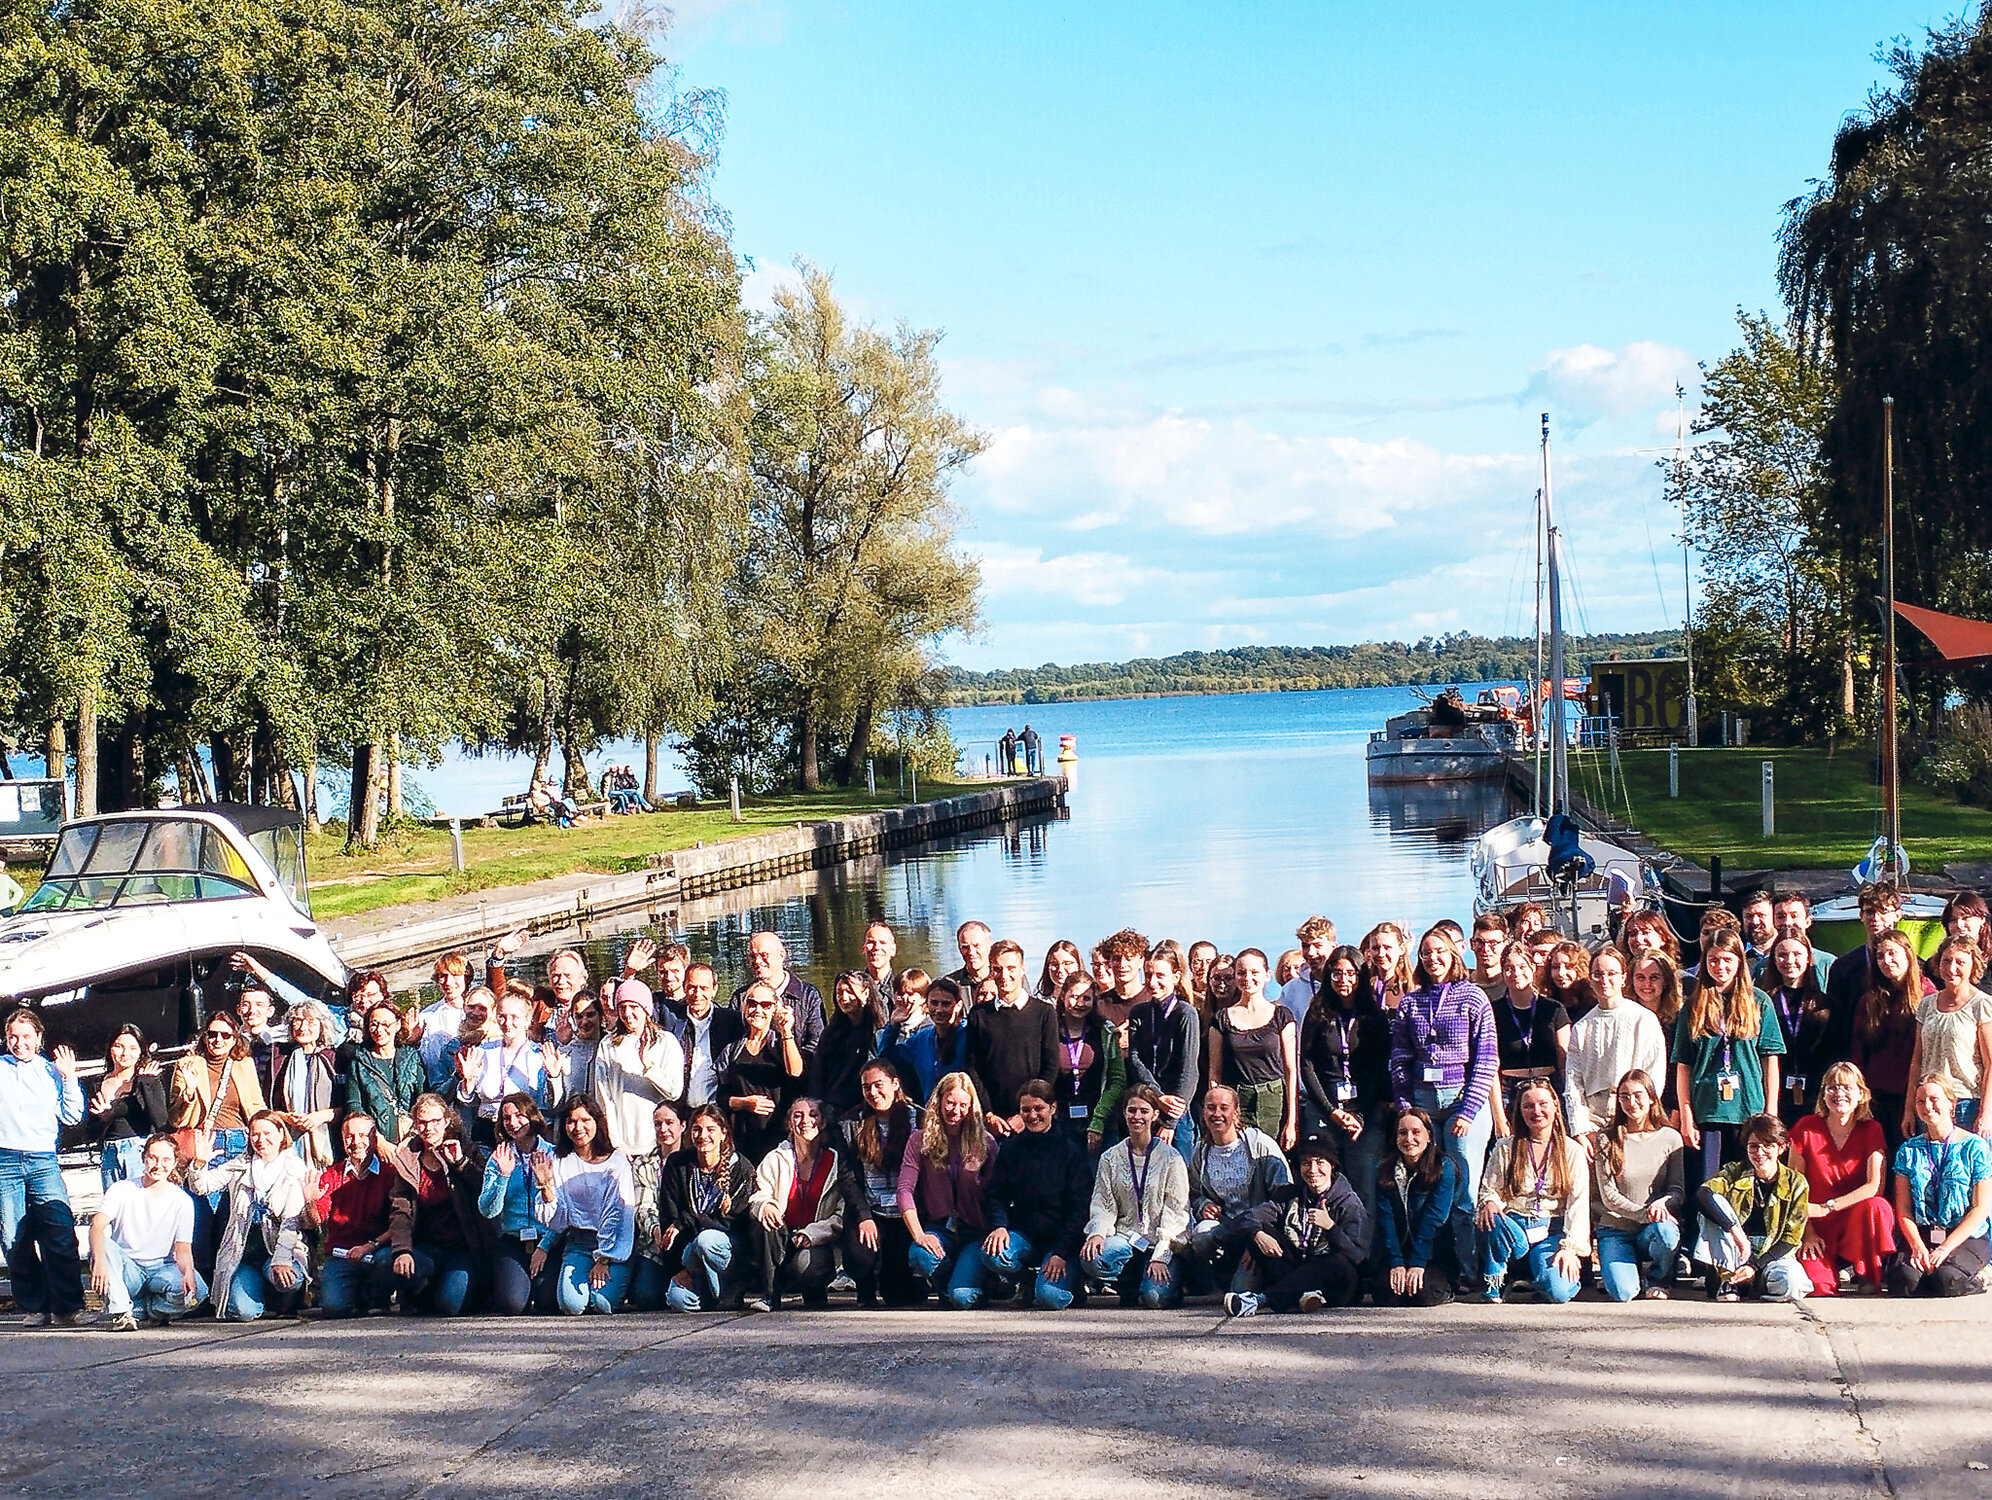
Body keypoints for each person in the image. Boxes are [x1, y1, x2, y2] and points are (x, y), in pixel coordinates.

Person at [1389, 925, 1496, 1274]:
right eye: (1426, 953)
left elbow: (1486, 1058)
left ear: (1453, 955)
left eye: (1440, 952)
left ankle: (1470, 1268)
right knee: (1427, 1185)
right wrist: (1406, 1107)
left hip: (1462, 1102)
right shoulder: (1411, 1002)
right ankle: (1433, 1263)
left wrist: (1468, 1110)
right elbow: (1400, 1057)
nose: (1433, 959)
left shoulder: (1473, 997)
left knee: (1463, 1189)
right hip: (1422, 1103)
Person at [1673, 930, 1785, 1192]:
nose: (1720, 967)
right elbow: (1683, 1065)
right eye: (1713, 960)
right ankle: (1708, 1233)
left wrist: (1771, 1111)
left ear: (1738, 962)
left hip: (1748, 1109)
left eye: (1727, 959)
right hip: (1707, 1109)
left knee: (1745, 1183)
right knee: (1710, 1185)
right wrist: (1686, 1115)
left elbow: (1770, 1062)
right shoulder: (1693, 1005)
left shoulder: (1759, 1001)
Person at [0, 1008, 86, 1325]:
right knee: (13, 1237)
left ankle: (66, 1307)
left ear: (38, 1037)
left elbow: (72, 1115)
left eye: (26, 1036)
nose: (19, 1043)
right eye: (13, 1036)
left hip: (42, 1161)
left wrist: (69, 1077)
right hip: (4, 1160)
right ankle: (35, 1306)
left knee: (59, 1230)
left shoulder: (50, 1071)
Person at [1224, 1131, 1370, 1316]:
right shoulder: (1289, 1195)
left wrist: (1331, 1228)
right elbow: (1245, 1218)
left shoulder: (1349, 1202)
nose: (1313, 1170)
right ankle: (1303, 1296)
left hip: (1336, 1282)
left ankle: (1260, 1300)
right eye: (1306, 1163)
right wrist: (1257, 1235)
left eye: (1319, 1162)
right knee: (1260, 1232)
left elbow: (1359, 1258)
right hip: (1297, 1268)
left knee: (1338, 1262)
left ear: (1332, 1165)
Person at [978, 1080, 1091, 1309]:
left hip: (1062, 1241)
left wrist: (1060, 1252)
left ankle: (1073, 1282)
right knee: (993, 1254)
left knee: (1049, 1298)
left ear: (1053, 1108)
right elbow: (996, 1194)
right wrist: (999, 1225)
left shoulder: (1071, 1150)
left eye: (1038, 1108)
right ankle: (1025, 1280)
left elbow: (1080, 1209)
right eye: (1025, 1110)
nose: (1032, 1116)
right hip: (1026, 1234)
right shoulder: (1010, 1149)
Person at [1473, 1077, 1588, 1303]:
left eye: (1543, 1104)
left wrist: (1570, 1248)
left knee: (1559, 1293)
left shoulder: (1572, 1150)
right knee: (1490, 1215)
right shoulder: (1505, 1147)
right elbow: (1489, 1189)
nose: (1536, 1111)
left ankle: (1529, 1274)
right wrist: (1490, 1202)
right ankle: (1494, 1281)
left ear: (1555, 1104)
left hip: (1550, 1230)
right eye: (1528, 1106)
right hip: (1513, 1226)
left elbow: (1579, 1203)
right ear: (1520, 1110)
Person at [190, 1110, 311, 1320]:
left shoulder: (294, 1169)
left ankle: (285, 1296)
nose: (261, 1140)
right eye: (255, 1134)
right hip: (243, 1253)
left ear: (281, 1134)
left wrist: (281, 1260)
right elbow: (201, 1186)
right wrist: (199, 1164)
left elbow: (292, 1222)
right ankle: (257, 1294)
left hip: (279, 1249)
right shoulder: (240, 1165)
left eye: (267, 1133)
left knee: (290, 1279)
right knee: (243, 1312)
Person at [1297, 944, 1390, 1219]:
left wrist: (1359, 1113)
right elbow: (1307, 1064)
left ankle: (1364, 1252)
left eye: (1350, 973)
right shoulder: (1317, 1012)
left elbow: (1379, 1069)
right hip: (1325, 1109)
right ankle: (1322, 1247)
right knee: (1321, 1183)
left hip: (1365, 1111)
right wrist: (1331, 1110)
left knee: (1365, 1184)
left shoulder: (1374, 1017)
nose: (1343, 980)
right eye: (1336, 974)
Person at [380, 1093, 492, 1316]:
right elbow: (400, 1210)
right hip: (428, 1247)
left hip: (464, 1248)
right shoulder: (407, 1159)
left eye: (435, 1121)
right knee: (383, 1262)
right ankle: (419, 1291)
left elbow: (486, 1192)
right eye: (422, 1122)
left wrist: (460, 1164)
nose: (429, 1128)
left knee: (448, 1305)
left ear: (446, 1121)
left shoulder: (466, 1150)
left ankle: (464, 1289)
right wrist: (402, 1250)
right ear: (415, 1124)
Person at [1790, 1062, 1896, 1296]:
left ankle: (1869, 1273)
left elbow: (1873, 1187)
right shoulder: (1805, 1128)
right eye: (1832, 1087)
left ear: (1861, 1094)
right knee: (1818, 1287)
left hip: (1853, 1221)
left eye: (1847, 1087)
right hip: (1815, 1225)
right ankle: (1829, 1270)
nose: (1839, 1094)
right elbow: (1793, 1188)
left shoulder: (1872, 1130)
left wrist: (1829, 1207)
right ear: (1823, 1094)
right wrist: (1807, 1230)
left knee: (1878, 1207)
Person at [1080, 1086, 1189, 1309]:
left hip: (1161, 1241)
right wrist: (1098, 1233)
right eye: (1131, 1111)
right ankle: (1128, 1282)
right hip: (1127, 1237)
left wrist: (1160, 1255)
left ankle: (1168, 1281)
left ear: (1155, 1115)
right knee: (1092, 1257)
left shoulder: (1171, 1159)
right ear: (1124, 1113)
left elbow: (1176, 1213)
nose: (1137, 1117)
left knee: (1155, 1299)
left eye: (1143, 1111)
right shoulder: (1111, 1157)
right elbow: (1103, 1203)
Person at [898, 1072, 1000, 1308]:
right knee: (919, 1253)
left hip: (975, 1232)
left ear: (971, 1107)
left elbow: (999, 1193)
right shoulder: (919, 1140)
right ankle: (954, 1283)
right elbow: (904, 1190)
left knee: (961, 1297)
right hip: (939, 1229)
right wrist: (919, 1234)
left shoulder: (986, 1142)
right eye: (951, 1103)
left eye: (963, 1105)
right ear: (940, 1101)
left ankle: (969, 1284)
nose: (956, 1110)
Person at [1888, 1074, 1992, 1297]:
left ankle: (1980, 1277)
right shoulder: (1909, 1150)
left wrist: (1946, 1248)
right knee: (1903, 1282)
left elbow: (1980, 1208)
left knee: (1948, 1280)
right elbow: (1904, 1209)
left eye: (1934, 1099)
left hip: (1964, 1236)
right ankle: (1931, 1275)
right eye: (1921, 1101)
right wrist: (1917, 1246)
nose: (1927, 1106)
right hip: (1924, 1234)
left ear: (1951, 1103)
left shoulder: (1974, 1146)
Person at [1179, 1086, 1291, 1293]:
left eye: (1224, 1108)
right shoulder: (1201, 1152)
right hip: (1226, 1230)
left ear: (1236, 1112)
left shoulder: (1260, 1146)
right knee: (1201, 1235)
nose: (1217, 1114)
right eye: (1211, 1108)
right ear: (1203, 1112)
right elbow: (1193, 1193)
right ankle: (1217, 1279)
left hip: (1259, 1232)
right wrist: (1203, 1205)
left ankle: (1247, 1279)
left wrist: (1256, 1235)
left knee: (1240, 1292)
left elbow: (1284, 1197)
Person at [89, 1134, 204, 1331]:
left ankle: (151, 1309)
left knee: (198, 1290)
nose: (158, 1165)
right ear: (143, 1158)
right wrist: (98, 1260)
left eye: (166, 1160)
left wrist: (187, 1273)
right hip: (128, 1270)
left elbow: (183, 1248)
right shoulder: (122, 1189)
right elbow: (97, 1225)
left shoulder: (182, 1200)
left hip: (161, 1269)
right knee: (104, 1244)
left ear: (175, 1162)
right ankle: (122, 1312)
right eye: (153, 1158)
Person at [535, 1094, 637, 1315]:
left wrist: (603, 1259)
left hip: (613, 1246)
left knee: (600, 1304)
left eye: (585, 1120)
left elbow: (618, 1215)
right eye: (571, 1121)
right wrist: (545, 1187)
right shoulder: (557, 1159)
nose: (577, 1127)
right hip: (578, 1243)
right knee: (571, 1305)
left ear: (597, 1122)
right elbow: (556, 1220)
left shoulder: (616, 1162)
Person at [1692, 1112, 1809, 1302]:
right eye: (1753, 1146)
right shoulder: (1734, 1171)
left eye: (1768, 1146)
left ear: (1782, 1148)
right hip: (1733, 1253)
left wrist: (1754, 1266)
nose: (1760, 1153)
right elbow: (1702, 1195)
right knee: (1714, 1202)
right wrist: (1735, 1232)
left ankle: (1754, 1286)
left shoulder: (1796, 1183)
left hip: (1771, 1257)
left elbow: (1791, 1239)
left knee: (1793, 1284)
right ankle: (1728, 1280)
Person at [1591, 1070, 1684, 1301]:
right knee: (1623, 1294)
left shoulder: (1670, 1138)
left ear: (1652, 1097)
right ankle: (1624, 1271)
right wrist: (1645, 1214)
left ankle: (1658, 1278)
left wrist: (1663, 1203)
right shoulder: (1606, 1138)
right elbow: (1608, 1195)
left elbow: (1677, 1190)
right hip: (1616, 1228)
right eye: (1624, 1096)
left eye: (1638, 1095)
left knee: (1667, 1232)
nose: (1631, 1103)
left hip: (1653, 1229)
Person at [747, 1097, 843, 1312]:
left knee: (807, 1266)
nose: (805, 1121)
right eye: (797, 1115)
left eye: (813, 1115)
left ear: (823, 1122)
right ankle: (770, 1294)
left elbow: (841, 1214)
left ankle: (814, 1290)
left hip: (815, 1243)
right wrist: (765, 1205)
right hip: (779, 1238)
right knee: (765, 1224)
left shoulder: (835, 1161)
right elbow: (757, 1194)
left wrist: (813, 1234)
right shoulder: (775, 1158)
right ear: (789, 1123)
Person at [838, 1060, 922, 1306]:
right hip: (872, 1211)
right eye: (866, 1087)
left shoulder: (920, 1118)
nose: (873, 1093)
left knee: (899, 1297)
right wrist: (863, 1216)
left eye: (879, 1085)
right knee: (858, 1256)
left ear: (895, 1084)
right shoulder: (852, 1122)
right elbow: (847, 1176)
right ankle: (865, 1285)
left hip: (907, 1214)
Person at [1563, 947, 1667, 1145]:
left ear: (1623, 978)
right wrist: (1580, 1129)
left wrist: (1640, 1117)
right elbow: (1573, 1082)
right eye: (1598, 974)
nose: (1604, 980)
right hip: (1593, 1117)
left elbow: (1654, 1074)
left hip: (1632, 1111)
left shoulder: (1643, 1019)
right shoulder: (1581, 1027)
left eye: (1611, 974)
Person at [661, 1104, 756, 1311]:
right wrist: (680, 1269)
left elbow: (732, 1222)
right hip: (690, 1255)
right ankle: (712, 1294)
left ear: (723, 1133)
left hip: (727, 1250)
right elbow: (668, 1219)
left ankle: (730, 1288)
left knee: (706, 1240)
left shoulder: (741, 1167)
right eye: (697, 1129)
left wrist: (687, 1221)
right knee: (678, 1300)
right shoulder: (678, 1164)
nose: (703, 1135)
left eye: (710, 1129)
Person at [1369, 1106, 1463, 1307]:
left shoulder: (1444, 1167)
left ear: (1429, 1136)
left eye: (1416, 1132)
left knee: (1423, 1294)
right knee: (1387, 1294)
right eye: (1402, 1133)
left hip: (1433, 1253)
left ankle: (1449, 1285)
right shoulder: (1385, 1170)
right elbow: (1385, 1220)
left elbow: (1435, 1218)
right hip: (1399, 1252)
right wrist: (1396, 1262)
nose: (1409, 1138)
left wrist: (1417, 1262)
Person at [965, 940, 1058, 1139]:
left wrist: (1026, 1113)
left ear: (1023, 969)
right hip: (993, 1120)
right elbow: (972, 1066)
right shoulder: (978, 1014)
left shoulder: (1044, 1012)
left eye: (1011, 968)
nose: (1004, 976)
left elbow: (1050, 1066)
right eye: (997, 969)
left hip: (1034, 1118)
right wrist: (989, 1114)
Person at [1208, 948, 1299, 1148]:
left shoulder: (1282, 1016)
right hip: (1235, 1101)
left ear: (1267, 975)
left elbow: (1291, 1071)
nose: (1247, 978)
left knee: (1273, 1162)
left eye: (1254, 972)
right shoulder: (1221, 1019)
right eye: (1241, 973)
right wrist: (1215, 1114)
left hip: (1273, 1101)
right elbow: (1214, 1072)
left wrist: (1292, 1121)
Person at [479, 1093, 557, 1314]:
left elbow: (563, 1210)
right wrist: (503, 1176)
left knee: (547, 1302)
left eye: (519, 1115)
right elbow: (487, 1210)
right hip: (513, 1238)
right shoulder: (499, 1158)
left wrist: (545, 1245)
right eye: (506, 1118)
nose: (513, 1123)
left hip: (547, 1239)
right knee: (512, 1304)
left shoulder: (552, 1153)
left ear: (532, 1116)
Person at [1906, 935, 1992, 1135]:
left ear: (1973, 966)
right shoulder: (1927, 1004)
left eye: (1960, 962)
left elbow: (1990, 1064)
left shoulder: (1982, 1005)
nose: (1952, 968)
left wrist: (1986, 1113)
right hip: (1928, 1104)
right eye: (1946, 960)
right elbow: (1916, 1061)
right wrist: (1909, 1108)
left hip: (1966, 1105)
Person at [311, 1113, 395, 1317]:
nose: (356, 1142)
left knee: (386, 1261)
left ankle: (376, 1296)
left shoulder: (389, 1173)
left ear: (374, 1138)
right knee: (333, 1308)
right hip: (341, 1254)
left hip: (377, 1250)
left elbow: (400, 1223)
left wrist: (369, 1246)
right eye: (349, 1136)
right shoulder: (331, 1175)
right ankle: (355, 1294)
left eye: (363, 1135)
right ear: (342, 1139)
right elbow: (317, 1219)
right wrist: (310, 1201)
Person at [1852, 927, 1926, 1151]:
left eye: (1892, 953)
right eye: (1880, 956)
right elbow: (1858, 1050)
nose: (1887, 960)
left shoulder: (1927, 997)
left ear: (1907, 955)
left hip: (1910, 1094)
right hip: (1875, 1095)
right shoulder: (1869, 1000)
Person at [591, 985, 685, 1155]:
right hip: (624, 1145)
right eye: (622, 1007)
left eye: (633, 1007)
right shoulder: (608, 1045)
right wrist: (615, 1141)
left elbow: (674, 1091)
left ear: (645, 1009)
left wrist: (648, 1065)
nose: (627, 1013)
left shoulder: (666, 1042)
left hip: (659, 1142)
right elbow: (604, 1098)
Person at [717, 981, 805, 1163]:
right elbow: (721, 1097)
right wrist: (743, 1103)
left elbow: (796, 1072)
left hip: (777, 1138)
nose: (757, 1009)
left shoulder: (780, 1044)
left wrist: (786, 1031)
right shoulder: (732, 1050)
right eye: (752, 1003)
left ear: (774, 1009)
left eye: (765, 1005)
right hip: (741, 1139)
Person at [453, 986, 554, 1143]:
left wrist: (553, 1077)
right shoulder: (483, 1051)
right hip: (487, 1131)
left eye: (515, 1017)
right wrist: (468, 1081)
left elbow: (549, 1104)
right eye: (502, 1016)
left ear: (527, 1019)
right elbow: (468, 1101)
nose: (507, 1023)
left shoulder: (538, 1055)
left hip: (524, 1131)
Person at [1489, 941, 1570, 1135]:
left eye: (1522, 967)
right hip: (1510, 1091)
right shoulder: (1492, 1011)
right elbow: (1491, 1065)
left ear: (1533, 968)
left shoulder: (1554, 1009)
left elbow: (1565, 1059)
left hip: (1549, 1087)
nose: (1516, 973)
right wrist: (1499, 1117)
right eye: (1508, 968)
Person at [1127, 946, 1201, 1156]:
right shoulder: (1139, 1012)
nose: (1152, 982)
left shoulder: (1186, 1014)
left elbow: (1189, 1071)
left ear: (1175, 977)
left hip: (1176, 1111)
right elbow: (1135, 1058)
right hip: (1147, 1104)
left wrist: (1170, 1122)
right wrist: (1157, 1096)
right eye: (1148, 975)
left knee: (1179, 1173)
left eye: (1160, 976)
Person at [1764, 932, 1836, 1123]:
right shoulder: (1764, 1002)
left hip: (1815, 1095)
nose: (1789, 961)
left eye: (1797, 954)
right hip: (1773, 1096)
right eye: (1782, 955)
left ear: (1809, 958)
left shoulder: (1824, 1004)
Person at [89, 1025, 169, 1188]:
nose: (125, 1054)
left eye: (133, 1048)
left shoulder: (148, 1079)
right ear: (110, 1048)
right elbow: (91, 1132)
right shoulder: (99, 1082)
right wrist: (102, 1117)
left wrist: (146, 1083)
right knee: (115, 1205)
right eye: (119, 1046)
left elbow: (160, 1120)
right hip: (110, 1151)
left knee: (140, 1203)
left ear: (141, 1051)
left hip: (139, 1149)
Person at [1052, 975, 1124, 1150]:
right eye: (1074, 996)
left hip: (1101, 1124)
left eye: (1086, 998)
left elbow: (1117, 1079)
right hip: (1060, 1124)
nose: (1080, 1003)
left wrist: (1098, 1121)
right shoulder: (1049, 1030)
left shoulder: (1106, 1031)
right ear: (1063, 996)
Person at [730, 931, 826, 1062]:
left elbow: (817, 1043)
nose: (757, 961)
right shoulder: (740, 998)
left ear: (781, 955)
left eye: (764, 955)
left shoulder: (808, 995)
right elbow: (733, 1043)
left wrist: (796, 1068)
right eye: (753, 956)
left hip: (799, 1077)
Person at [1825, 883, 1906, 1036]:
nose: (1876, 918)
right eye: (1869, 912)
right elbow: (1836, 1023)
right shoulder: (1843, 967)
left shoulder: (1912, 964)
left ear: (1897, 915)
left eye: (1883, 911)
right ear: (1860, 915)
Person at [627, 1099, 685, 1310]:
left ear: (682, 1125)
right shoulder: (643, 1163)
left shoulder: (692, 1159)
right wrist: (655, 1230)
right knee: (645, 1298)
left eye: (669, 1123)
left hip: (684, 1239)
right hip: (653, 1244)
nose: (663, 1129)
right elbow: (643, 1206)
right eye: (658, 1124)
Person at [346, 1001, 424, 1145]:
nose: (379, 1030)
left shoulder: (411, 1057)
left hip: (412, 1139)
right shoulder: (358, 1062)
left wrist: (411, 1136)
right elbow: (355, 1106)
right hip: (375, 1142)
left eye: (385, 1024)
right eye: (374, 1024)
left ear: (398, 1025)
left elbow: (423, 1099)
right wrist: (378, 1140)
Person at [810, 971, 878, 1118]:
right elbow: (818, 1071)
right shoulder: (831, 1032)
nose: (844, 998)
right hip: (831, 1106)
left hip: (862, 1107)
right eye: (840, 992)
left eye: (850, 992)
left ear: (865, 993)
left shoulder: (876, 1032)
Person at [679, 961, 744, 1108]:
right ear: (684, 988)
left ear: (714, 990)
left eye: (703, 988)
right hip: (681, 1111)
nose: (697, 994)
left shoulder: (732, 1022)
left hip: (718, 1111)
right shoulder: (673, 1020)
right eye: (692, 987)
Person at [1928, 891, 1991, 985]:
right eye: (1953, 920)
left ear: (1982, 919)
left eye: (1965, 918)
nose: (1959, 925)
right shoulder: (1934, 965)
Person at [1279, 916, 1337, 1015]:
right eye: (1305, 946)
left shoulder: (1345, 983)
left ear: (1334, 947)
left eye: (1318, 946)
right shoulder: (1291, 990)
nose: (1311, 953)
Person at [1362, 922, 1415, 1012]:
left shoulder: (1412, 987)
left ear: (1401, 949)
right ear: (1369, 951)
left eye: (1387, 948)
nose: (1381, 954)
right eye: (1375, 948)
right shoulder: (1364, 986)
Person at [946, 920, 994, 1001]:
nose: (971, 952)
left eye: (977, 946)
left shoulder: (1007, 980)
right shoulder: (949, 985)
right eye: (965, 947)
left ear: (990, 945)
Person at [1467, 915, 1510, 999]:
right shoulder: (1460, 984)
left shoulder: (1513, 984)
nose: (1486, 949)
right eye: (1480, 942)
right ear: (1472, 944)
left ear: (1506, 944)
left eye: (1493, 943)